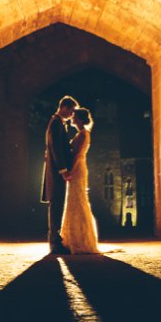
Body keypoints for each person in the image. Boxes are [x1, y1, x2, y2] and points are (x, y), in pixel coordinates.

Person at [59, 107, 102, 255]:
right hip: (77, 168)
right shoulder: (80, 133)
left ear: (80, 119)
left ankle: (81, 240)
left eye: (74, 116)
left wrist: (70, 171)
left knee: (78, 200)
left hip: (78, 169)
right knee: (74, 201)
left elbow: (78, 155)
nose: (72, 117)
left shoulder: (84, 134)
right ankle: (73, 238)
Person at [41, 96, 79, 255]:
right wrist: (63, 170)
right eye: (71, 111)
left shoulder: (57, 122)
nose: (72, 115)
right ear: (64, 107)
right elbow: (56, 147)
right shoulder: (56, 122)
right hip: (56, 172)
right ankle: (54, 243)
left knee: (57, 205)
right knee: (56, 205)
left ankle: (55, 241)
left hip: (55, 171)